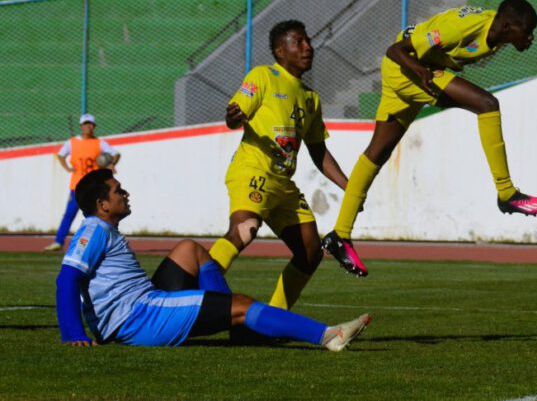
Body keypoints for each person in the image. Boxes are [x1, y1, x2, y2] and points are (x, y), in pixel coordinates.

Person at [321, 0, 537, 278]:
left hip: (416, 70)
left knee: (378, 152)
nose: (530, 36)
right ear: (506, 25)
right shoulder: (461, 27)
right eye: (525, 30)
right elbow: (396, 50)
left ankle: (339, 234)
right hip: (408, 68)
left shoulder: (497, 30)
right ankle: (506, 192)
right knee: (486, 104)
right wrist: (421, 72)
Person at [55, 169, 371, 350]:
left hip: (141, 307)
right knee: (242, 305)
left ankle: (235, 324)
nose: (124, 194)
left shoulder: (101, 228)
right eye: (117, 191)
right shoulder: (93, 231)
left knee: (189, 249)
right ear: (102, 204)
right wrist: (73, 333)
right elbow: (67, 278)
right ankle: (329, 336)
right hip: (139, 317)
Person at [207, 20, 349, 311]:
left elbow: (318, 151)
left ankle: (273, 319)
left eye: (308, 40)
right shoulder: (264, 76)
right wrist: (233, 117)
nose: (308, 46)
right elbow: (236, 116)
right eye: (299, 41)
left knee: (310, 253)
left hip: (283, 184)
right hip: (253, 170)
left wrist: (351, 187)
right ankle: (191, 291)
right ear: (280, 50)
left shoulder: (311, 98)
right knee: (245, 228)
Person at [45, 113, 121, 252]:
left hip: (94, 187)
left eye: (91, 124)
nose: (89, 126)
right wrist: (67, 167)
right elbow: (61, 155)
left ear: (94, 126)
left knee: (99, 216)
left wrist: (112, 163)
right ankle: (58, 241)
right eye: (86, 124)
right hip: (77, 186)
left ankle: (108, 243)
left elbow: (116, 154)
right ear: (81, 126)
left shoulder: (99, 143)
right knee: (69, 214)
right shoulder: (72, 142)